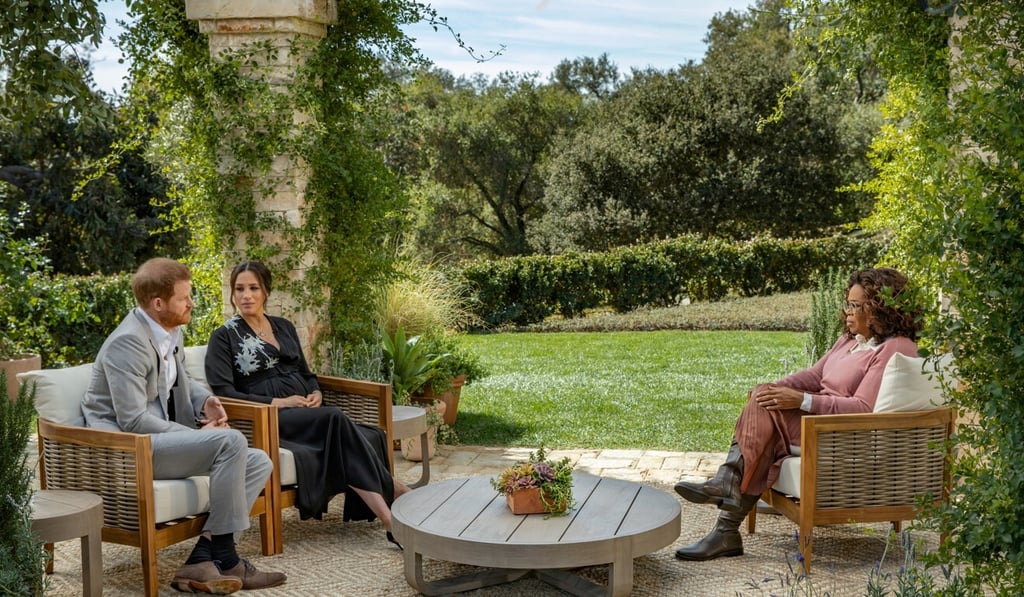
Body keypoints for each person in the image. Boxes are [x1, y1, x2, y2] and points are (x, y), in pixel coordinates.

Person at [673, 267, 923, 562]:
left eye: (856, 306)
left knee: (765, 410)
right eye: (848, 303)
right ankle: (726, 523)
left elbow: (862, 408)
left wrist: (801, 400)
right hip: (813, 420)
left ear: (880, 307)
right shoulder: (849, 342)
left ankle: (727, 495)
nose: (847, 312)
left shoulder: (895, 347)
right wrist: (775, 388)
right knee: (764, 402)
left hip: (838, 431)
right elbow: (814, 374)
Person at [82, 258, 286, 594]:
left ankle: (202, 558)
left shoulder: (168, 329)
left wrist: (206, 401)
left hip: (153, 441)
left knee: (259, 461)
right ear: (158, 303)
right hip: (127, 451)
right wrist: (196, 435)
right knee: (231, 442)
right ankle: (228, 558)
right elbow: (133, 420)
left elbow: (184, 380)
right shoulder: (127, 343)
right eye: (184, 298)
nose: (191, 303)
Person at [204, 261, 410, 549]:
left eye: (254, 288)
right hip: (270, 418)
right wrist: (278, 402)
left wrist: (315, 392)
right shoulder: (224, 337)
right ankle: (394, 508)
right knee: (336, 419)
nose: (246, 295)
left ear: (266, 291)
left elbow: (305, 372)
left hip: (307, 412)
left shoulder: (283, 326)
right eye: (239, 289)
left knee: (353, 431)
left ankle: (395, 510)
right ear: (232, 293)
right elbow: (224, 392)